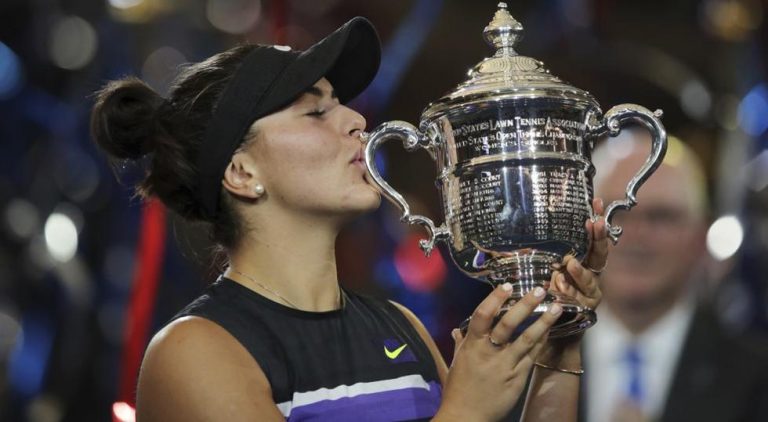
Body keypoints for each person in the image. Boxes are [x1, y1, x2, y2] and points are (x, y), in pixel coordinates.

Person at [91, 17, 608, 421]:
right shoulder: (193, 352)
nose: (357, 120)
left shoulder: (399, 325)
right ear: (242, 172)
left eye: (339, 103)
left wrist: (559, 348)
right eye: (314, 112)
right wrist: (466, 412)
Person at [582, 130, 768, 422]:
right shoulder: (523, 366)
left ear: (701, 234)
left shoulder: (756, 377)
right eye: (616, 215)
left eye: (661, 217)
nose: (636, 237)